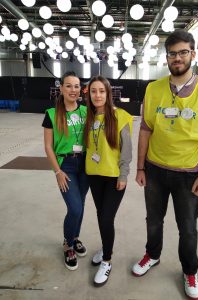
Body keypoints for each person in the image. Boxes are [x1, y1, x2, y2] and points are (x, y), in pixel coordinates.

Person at [132, 30, 198, 300]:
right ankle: (153, 254)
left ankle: (190, 270)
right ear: (167, 57)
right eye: (172, 53)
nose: (178, 57)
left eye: (183, 52)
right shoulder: (154, 89)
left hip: (188, 174)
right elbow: (146, 130)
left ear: (193, 54)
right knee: (153, 221)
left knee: (188, 228)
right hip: (155, 170)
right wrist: (140, 167)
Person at [84, 75, 133, 286]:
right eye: (94, 91)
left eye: (101, 91)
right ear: (89, 94)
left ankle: (107, 260)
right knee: (100, 215)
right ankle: (106, 245)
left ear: (108, 93)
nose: (97, 95)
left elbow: (127, 150)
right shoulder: (88, 117)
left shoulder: (120, 116)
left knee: (106, 218)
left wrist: (123, 175)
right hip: (94, 175)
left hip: (114, 177)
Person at [42, 71, 89, 271]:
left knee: (82, 204)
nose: (73, 90)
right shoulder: (52, 114)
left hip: (86, 164)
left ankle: (75, 237)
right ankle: (68, 244)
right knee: (75, 208)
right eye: (68, 85)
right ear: (60, 88)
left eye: (76, 86)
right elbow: (48, 146)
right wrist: (57, 172)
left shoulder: (87, 111)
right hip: (66, 166)